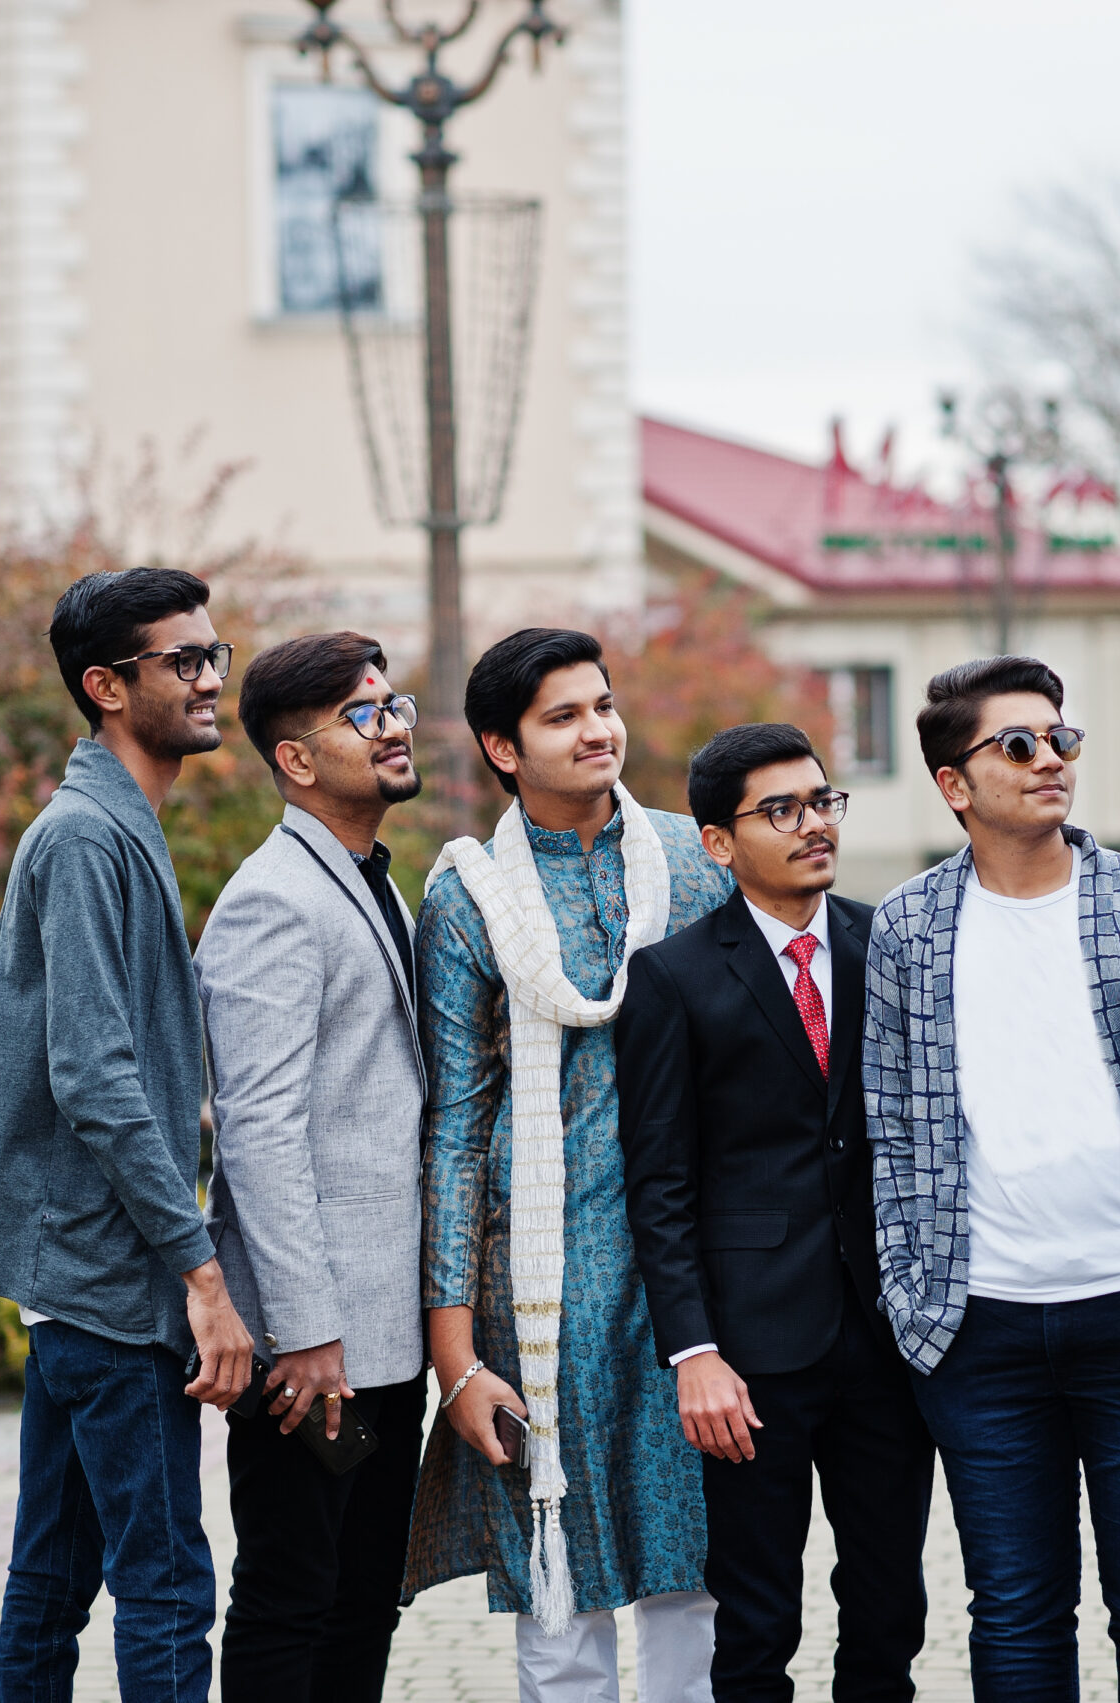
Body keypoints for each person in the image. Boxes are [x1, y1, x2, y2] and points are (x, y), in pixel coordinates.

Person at [864, 655, 1120, 1703]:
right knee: (1017, 1613)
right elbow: (892, 1124)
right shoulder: (907, 925)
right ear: (954, 782)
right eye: (1018, 744)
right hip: (978, 1327)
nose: (1051, 760)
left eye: (1061, 737)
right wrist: (916, 1299)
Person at [0, 566, 257, 1703]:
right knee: (165, 1582)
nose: (212, 679)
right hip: (107, 1281)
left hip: (78, 1278)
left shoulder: (117, 825)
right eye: (185, 660)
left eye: (215, 653)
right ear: (107, 686)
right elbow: (97, 1079)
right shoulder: (83, 839)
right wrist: (201, 1275)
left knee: (53, 1577)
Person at [406, 627, 734, 1703]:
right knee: (558, 1562)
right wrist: (454, 1356)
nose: (599, 728)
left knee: (699, 1565)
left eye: (602, 703)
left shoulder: (698, 862)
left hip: (696, 1273)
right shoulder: (468, 896)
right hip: (545, 1288)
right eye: (563, 715)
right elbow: (455, 1126)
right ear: (503, 747)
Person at [615, 724, 936, 1703]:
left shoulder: (886, 942)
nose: (812, 825)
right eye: (780, 810)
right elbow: (658, 1184)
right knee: (756, 1615)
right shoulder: (672, 977)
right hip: (751, 1348)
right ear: (719, 841)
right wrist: (694, 1351)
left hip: (887, 1334)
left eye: (822, 801)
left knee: (890, 1603)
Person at [195, 632, 431, 1703]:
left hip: (380, 1326)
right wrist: (307, 1329)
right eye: (365, 715)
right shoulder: (271, 900)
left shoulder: (367, 877)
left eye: (396, 707)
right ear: (296, 759)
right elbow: (258, 1131)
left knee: (362, 1591)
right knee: (295, 1590)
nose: (394, 730)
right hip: (318, 1340)